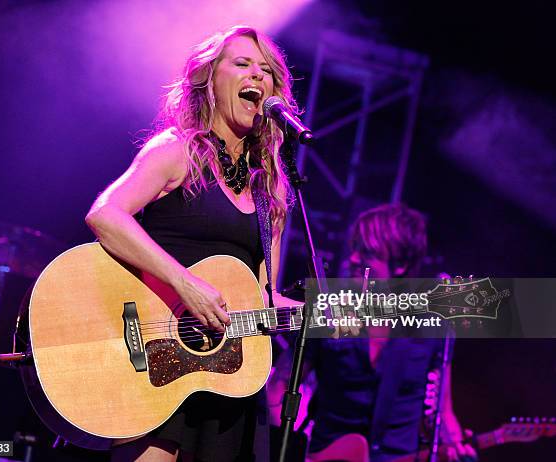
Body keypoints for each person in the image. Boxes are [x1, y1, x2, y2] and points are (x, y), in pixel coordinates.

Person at [85, 25, 298, 462]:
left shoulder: (272, 190)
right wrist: (184, 283)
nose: (256, 77)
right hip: (152, 358)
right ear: (209, 79)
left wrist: (324, 313)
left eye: (266, 71)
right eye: (242, 64)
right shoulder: (176, 150)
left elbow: (262, 296)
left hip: (225, 378)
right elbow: (105, 215)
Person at [304, 203, 477, 462]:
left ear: (400, 265)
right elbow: (280, 388)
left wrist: (458, 446)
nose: (352, 259)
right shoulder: (329, 313)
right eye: (354, 249)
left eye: (367, 253)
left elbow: (443, 411)